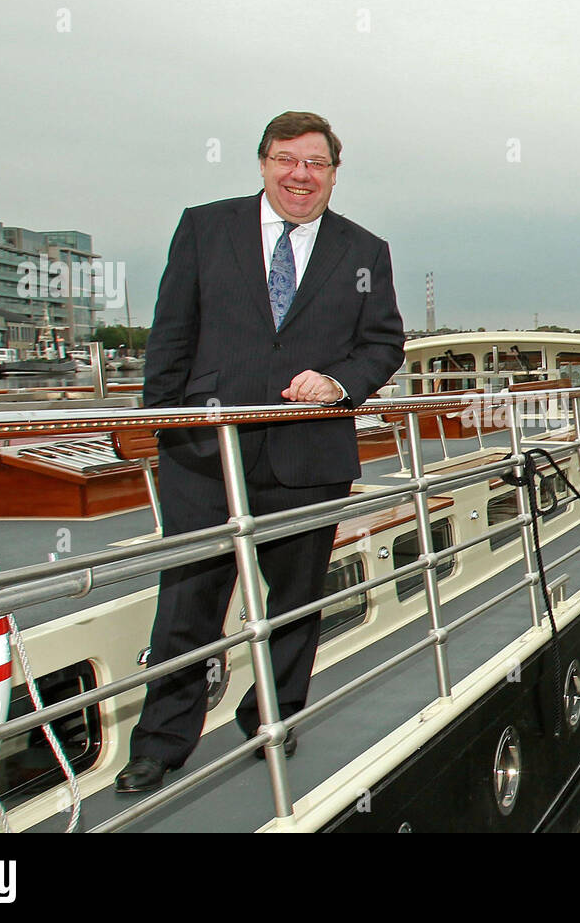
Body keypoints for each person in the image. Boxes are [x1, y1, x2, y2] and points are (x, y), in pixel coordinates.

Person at [116, 111, 405, 793]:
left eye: (316, 163)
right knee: (187, 603)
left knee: (296, 601)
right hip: (202, 456)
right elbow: (171, 335)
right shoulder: (204, 228)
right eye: (287, 159)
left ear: (334, 173)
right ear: (263, 163)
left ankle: (272, 717)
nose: (300, 174)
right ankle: (161, 742)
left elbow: (382, 344)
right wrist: (164, 431)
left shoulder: (364, 251)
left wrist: (339, 383)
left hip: (308, 455)